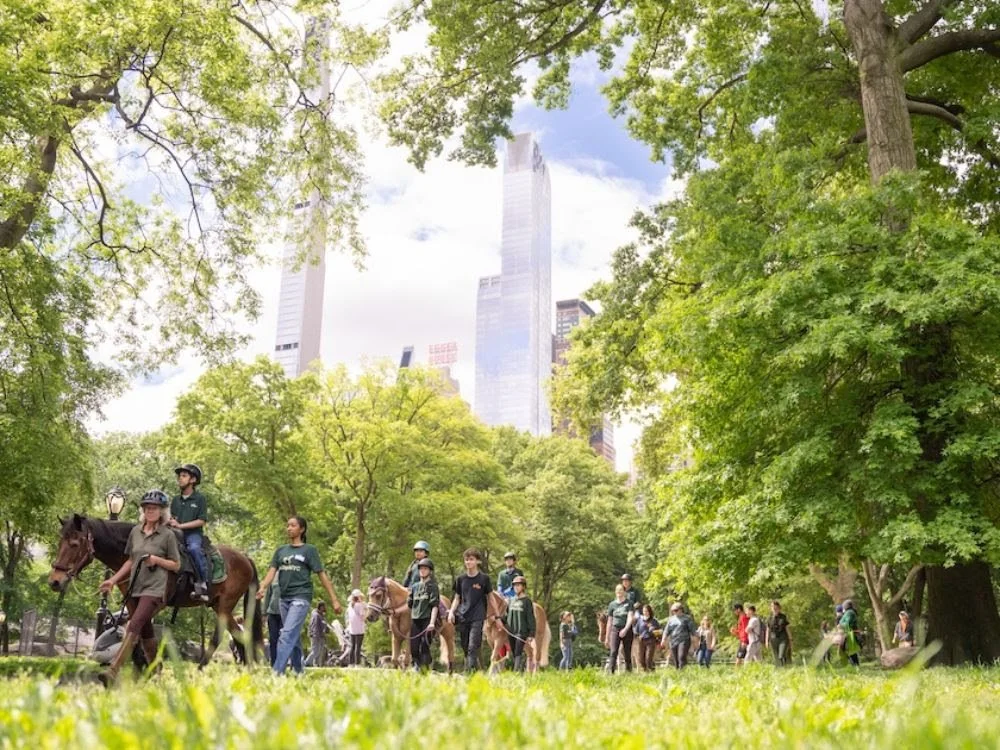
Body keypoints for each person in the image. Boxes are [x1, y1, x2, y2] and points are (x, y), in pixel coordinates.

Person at [98, 490, 181, 685]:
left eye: (155, 508)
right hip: (136, 586)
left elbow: (176, 565)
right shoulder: (135, 532)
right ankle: (157, 672)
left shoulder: (167, 535)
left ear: (162, 512)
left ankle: (113, 670)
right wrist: (113, 580)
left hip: (155, 588)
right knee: (145, 630)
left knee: (134, 624)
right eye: (147, 508)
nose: (150, 511)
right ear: (143, 510)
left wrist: (156, 560)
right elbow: (130, 560)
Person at [256, 516, 342, 676]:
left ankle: (277, 673)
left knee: (286, 634)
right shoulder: (281, 551)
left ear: (302, 529)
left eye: (293, 525)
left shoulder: (309, 550)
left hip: (301, 597)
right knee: (293, 637)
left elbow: (322, 576)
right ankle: (298, 671)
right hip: (283, 599)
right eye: (288, 525)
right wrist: (262, 587)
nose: (289, 528)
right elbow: (271, 573)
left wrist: (334, 600)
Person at [169, 463, 210, 602]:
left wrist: (181, 525)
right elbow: (173, 518)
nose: (180, 478)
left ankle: (203, 583)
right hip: (175, 533)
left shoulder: (200, 499)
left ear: (193, 480)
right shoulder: (175, 500)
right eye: (179, 476)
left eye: (184, 476)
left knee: (194, 549)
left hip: (193, 534)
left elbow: (201, 521)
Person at [448, 548, 492, 672]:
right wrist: (451, 612)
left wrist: (496, 616)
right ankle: (474, 670)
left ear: (477, 561)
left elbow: (491, 598)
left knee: (473, 646)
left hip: (478, 616)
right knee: (465, 646)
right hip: (463, 616)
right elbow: (457, 598)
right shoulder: (460, 579)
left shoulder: (484, 579)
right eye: (466, 560)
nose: (468, 562)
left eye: (471, 559)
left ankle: (470, 673)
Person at [407, 557, 440, 671]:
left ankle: (424, 670)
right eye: (421, 568)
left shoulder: (433, 586)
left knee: (425, 646)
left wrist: (432, 623)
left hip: (427, 619)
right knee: (414, 647)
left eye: (425, 569)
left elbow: (435, 605)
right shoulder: (415, 587)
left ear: (430, 571)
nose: (422, 571)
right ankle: (417, 664)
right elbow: (410, 605)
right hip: (415, 619)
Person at [264, 580, 302, 670]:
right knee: (273, 639)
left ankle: (291, 664)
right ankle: (274, 664)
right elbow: (267, 596)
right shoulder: (273, 578)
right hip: (272, 613)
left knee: (286, 639)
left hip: (286, 613)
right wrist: (264, 612)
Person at [505, 575, 536, 672]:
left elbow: (530, 617)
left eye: (518, 585)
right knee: (514, 652)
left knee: (518, 651)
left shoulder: (527, 601)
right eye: (515, 585)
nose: (516, 587)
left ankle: (516, 672)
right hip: (511, 631)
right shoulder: (511, 600)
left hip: (521, 632)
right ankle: (520, 670)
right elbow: (507, 615)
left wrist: (531, 634)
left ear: (523, 587)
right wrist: (498, 619)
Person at [606, 584, 635, 673]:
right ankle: (611, 672)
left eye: (621, 590)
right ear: (615, 592)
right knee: (613, 651)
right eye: (617, 590)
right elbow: (609, 621)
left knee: (627, 652)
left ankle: (628, 671)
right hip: (615, 629)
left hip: (627, 629)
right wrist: (607, 637)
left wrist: (625, 629)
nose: (619, 592)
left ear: (624, 592)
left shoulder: (629, 603)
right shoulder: (612, 605)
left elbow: (630, 617)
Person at [662, 602, 695, 669]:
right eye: (673, 611)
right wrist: (663, 639)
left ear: (681, 609)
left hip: (684, 640)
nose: (674, 612)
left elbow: (692, 629)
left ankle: (682, 670)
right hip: (673, 641)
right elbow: (666, 630)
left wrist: (696, 639)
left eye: (676, 610)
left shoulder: (687, 618)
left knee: (681, 656)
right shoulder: (671, 619)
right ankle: (678, 672)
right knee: (676, 659)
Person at [766, 600, 792, 666]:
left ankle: (785, 664)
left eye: (776, 608)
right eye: (773, 607)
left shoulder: (783, 617)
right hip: (773, 639)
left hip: (783, 638)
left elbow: (787, 628)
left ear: (779, 608)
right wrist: (766, 641)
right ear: (771, 608)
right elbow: (768, 630)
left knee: (781, 655)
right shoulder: (769, 618)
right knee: (776, 657)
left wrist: (790, 639)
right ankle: (781, 668)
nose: (774, 609)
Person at [635, 604, 660, 672]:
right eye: (644, 611)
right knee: (641, 659)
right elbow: (636, 630)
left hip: (651, 640)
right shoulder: (640, 620)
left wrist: (653, 630)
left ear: (649, 612)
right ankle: (646, 671)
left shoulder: (654, 621)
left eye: (646, 611)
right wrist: (638, 635)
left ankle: (651, 670)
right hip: (642, 640)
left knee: (648, 658)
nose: (645, 612)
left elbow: (659, 632)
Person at [347, 588, 367, 666]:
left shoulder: (350, 605)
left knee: (352, 646)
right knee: (358, 647)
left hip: (352, 629)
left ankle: (351, 663)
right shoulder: (359, 605)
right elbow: (363, 617)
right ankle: (357, 663)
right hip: (359, 628)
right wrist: (366, 613)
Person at [839, 599, 862, 666]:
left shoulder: (849, 613)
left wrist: (841, 624)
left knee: (850, 650)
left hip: (850, 634)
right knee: (851, 651)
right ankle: (855, 665)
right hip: (850, 633)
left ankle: (855, 665)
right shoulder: (849, 612)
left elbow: (847, 624)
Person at [308, 602, 328, 667]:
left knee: (319, 651)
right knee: (315, 651)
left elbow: (323, 625)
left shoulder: (321, 615)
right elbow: (315, 626)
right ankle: (305, 663)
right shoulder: (316, 615)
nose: (325, 608)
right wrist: (317, 636)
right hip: (316, 635)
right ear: (321, 607)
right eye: (324, 606)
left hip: (320, 635)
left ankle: (316, 664)